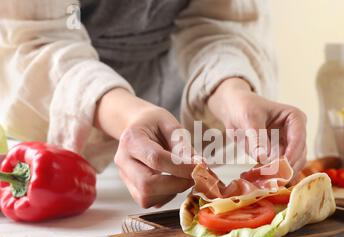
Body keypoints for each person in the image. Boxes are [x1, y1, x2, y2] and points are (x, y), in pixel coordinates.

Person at [0, 0, 307, 208]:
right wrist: (129, 115)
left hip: (193, 121)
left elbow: (216, 19)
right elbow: (35, 38)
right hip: (65, 139)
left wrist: (232, 92)